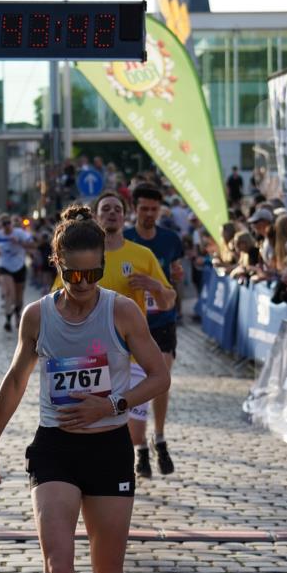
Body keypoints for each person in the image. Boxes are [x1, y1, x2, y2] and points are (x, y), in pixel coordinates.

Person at [0, 206, 169, 573]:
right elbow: (17, 379)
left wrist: (111, 407)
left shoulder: (122, 312)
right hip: (55, 449)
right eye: (72, 274)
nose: (82, 285)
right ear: (55, 263)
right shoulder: (37, 316)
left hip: (108, 449)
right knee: (58, 570)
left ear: (102, 264)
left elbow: (158, 376)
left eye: (91, 273)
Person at [124, 185, 185, 476]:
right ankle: (140, 446)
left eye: (154, 209)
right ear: (134, 208)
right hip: (132, 326)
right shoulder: (123, 240)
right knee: (135, 388)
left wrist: (171, 280)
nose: (149, 214)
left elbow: (176, 276)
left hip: (162, 321)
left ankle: (158, 437)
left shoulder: (170, 239)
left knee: (161, 380)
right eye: (144, 209)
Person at [0, 213, 35, 332]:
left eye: (8, 223)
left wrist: (19, 242)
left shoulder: (20, 233)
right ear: (1, 225)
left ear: (11, 223)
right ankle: (8, 320)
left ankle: (18, 315)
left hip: (19, 266)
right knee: (9, 292)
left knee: (19, 296)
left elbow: (33, 245)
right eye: (3, 223)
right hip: (4, 266)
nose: (6, 226)